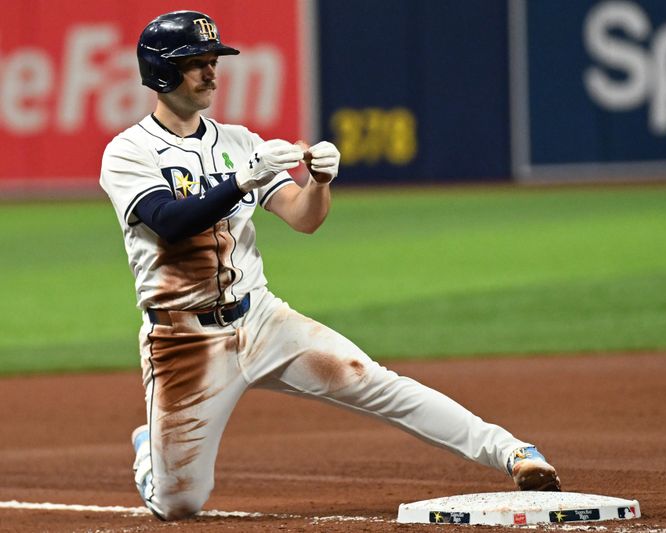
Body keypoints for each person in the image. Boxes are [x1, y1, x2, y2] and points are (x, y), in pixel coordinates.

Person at [100, 10, 561, 521]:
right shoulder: (129, 152)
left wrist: (320, 181)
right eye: (198, 62)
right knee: (178, 503)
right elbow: (167, 221)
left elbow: (303, 219)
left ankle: (514, 452)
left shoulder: (238, 141)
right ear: (163, 73)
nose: (212, 72)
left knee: (369, 379)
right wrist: (240, 182)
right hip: (184, 342)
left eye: (213, 61)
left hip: (260, 320)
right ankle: (151, 452)